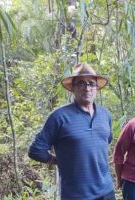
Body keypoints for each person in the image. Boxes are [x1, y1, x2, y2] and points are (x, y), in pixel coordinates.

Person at [28, 63, 116, 200]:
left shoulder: (105, 115)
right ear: (72, 88)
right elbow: (36, 150)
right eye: (81, 83)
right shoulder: (59, 117)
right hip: (76, 194)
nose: (87, 88)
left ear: (97, 88)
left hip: (106, 191)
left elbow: (105, 141)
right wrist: (56, 160)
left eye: (91, 84)